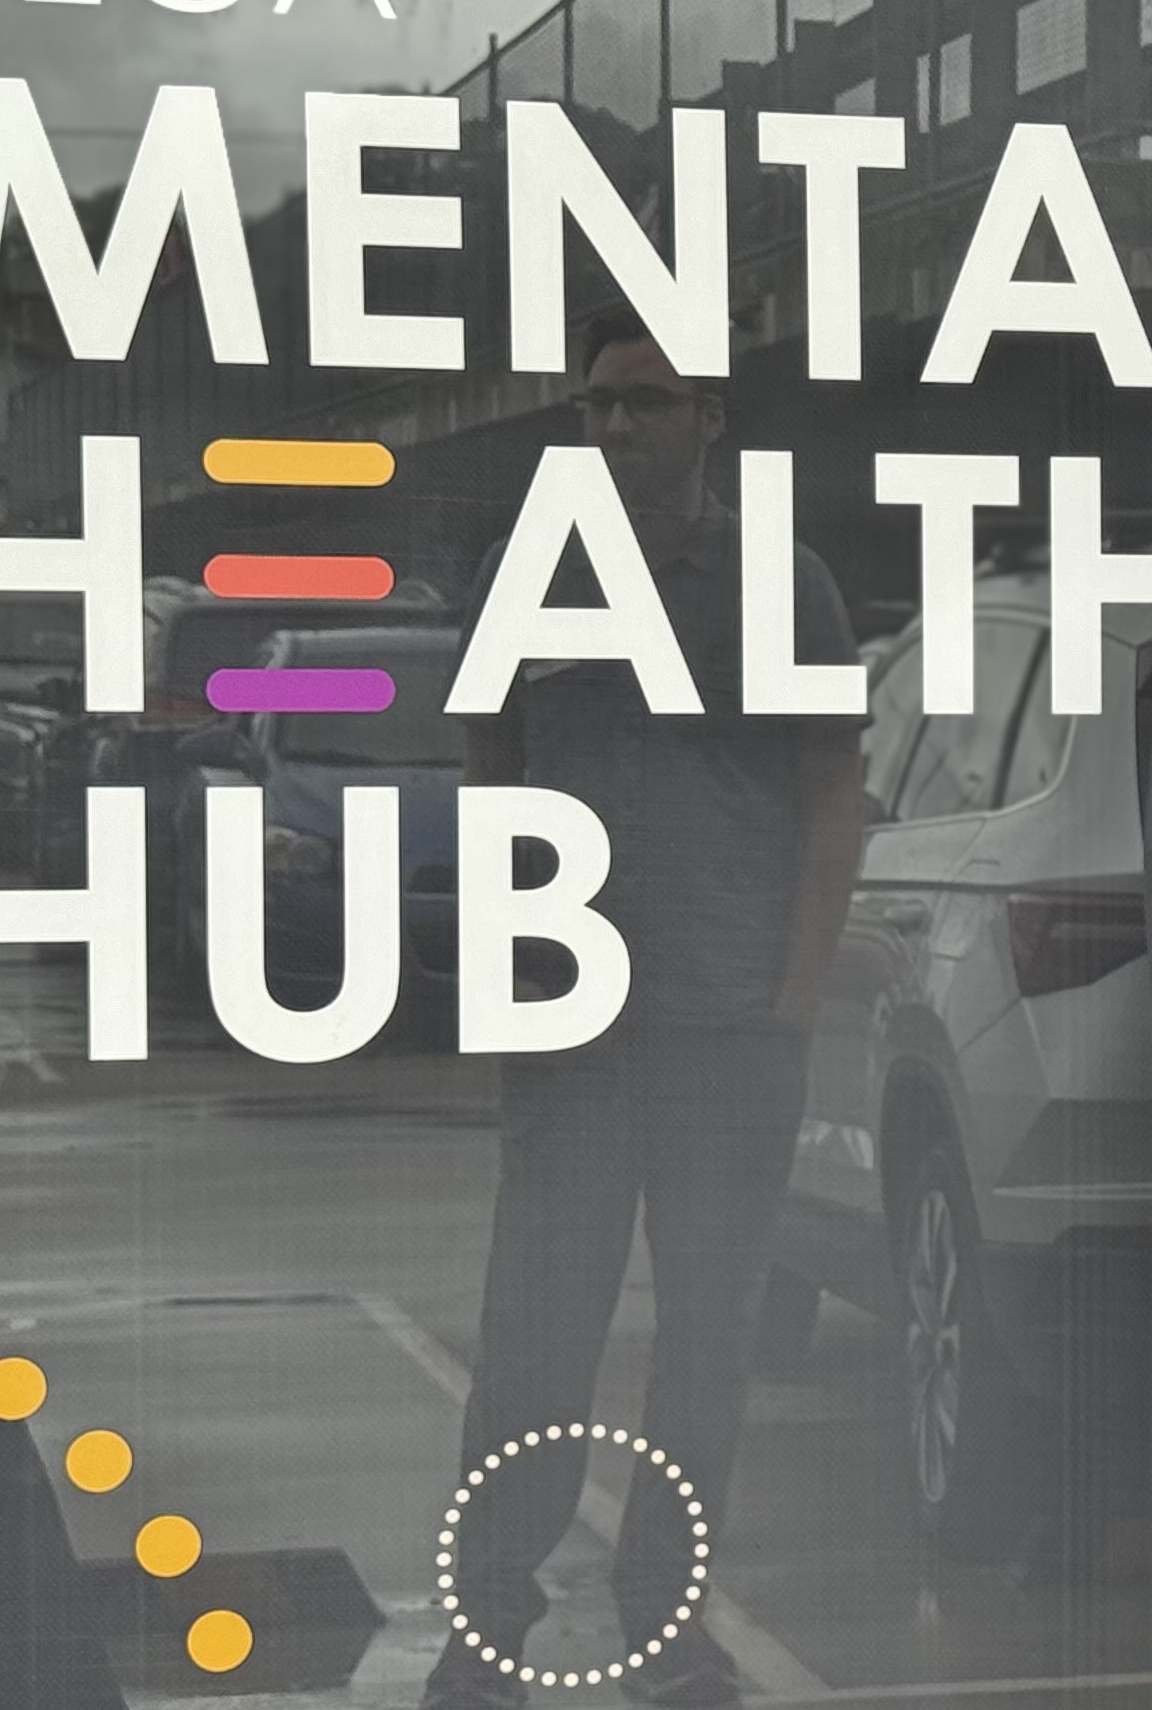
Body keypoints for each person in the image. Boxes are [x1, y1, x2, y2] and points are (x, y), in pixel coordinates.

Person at [426, 308, 865, 1710]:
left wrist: (795, 999)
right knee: (535, 1336)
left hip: (728, 1027)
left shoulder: (783, 581)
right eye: (599, 404)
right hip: (573, 1033)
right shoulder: (527, 574)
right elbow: (489, 768)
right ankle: (487, 1623)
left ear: (708, 420)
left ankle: (665, 1626)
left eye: (647, 402)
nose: (616, 426)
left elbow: (831, 797)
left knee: (706, 1342)